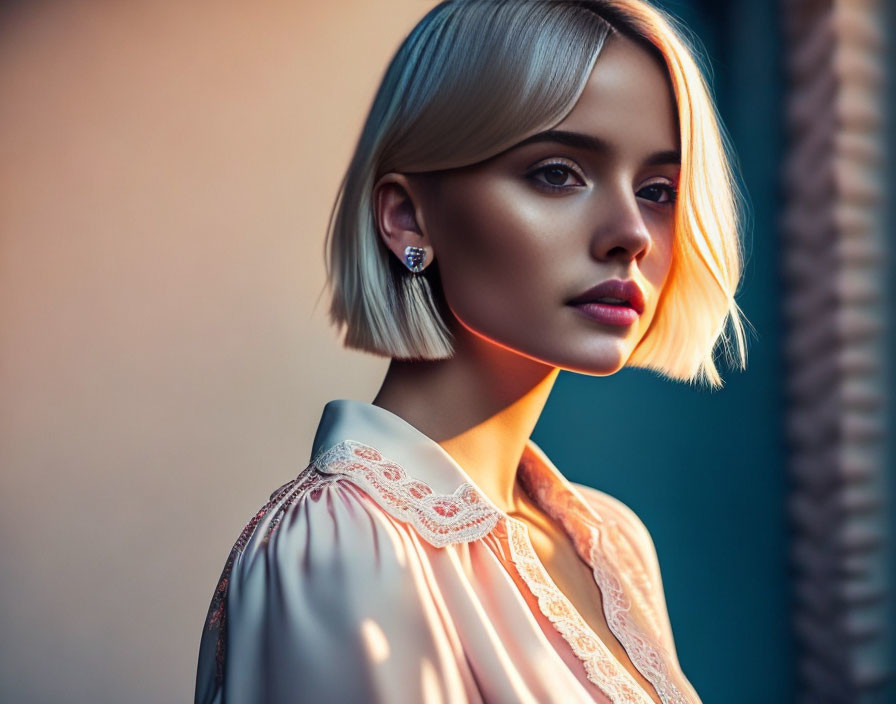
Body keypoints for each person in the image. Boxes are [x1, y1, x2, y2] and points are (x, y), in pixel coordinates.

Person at [194, 0, 749, 702]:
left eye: (660, 190)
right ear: (406, 216)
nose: (631, 233)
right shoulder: (343, 550)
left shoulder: (612, 541)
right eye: (557, 172)